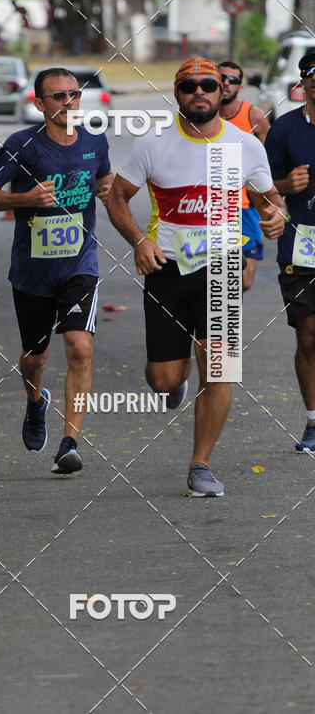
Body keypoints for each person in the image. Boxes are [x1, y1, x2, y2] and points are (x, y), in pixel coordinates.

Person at [107, 56, 286, 497]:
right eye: (191, 87)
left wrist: (275, 215)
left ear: (222, 91)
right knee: (164, 379)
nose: (201, 93)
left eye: (209, 85)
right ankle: (177, 380)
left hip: (223, 267)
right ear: (178, 93)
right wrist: (138, 242)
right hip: (166, 267)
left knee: (220, 368)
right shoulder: (152, 143)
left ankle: (200, 464)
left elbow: (269, 198)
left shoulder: (245, 145)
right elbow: (116, 198)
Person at [0, 67, 113, 474]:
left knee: (80, 347)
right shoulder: (23, 145)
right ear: (39, 103)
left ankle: (70, 442)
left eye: (74, 94)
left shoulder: (94, 140)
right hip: (33, 272)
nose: (68, 103)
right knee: (35, 359)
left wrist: (106, 189)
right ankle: (36, 403)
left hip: (79, 266)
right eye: (58, 97)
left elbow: (104, 178)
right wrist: (27, 198)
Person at [265, 50, 315, 452]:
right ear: (303, 82)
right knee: (309, 336)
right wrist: (285, 186)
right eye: (313, 73)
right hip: (301, 247)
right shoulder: (283, 130)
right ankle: (314, 422)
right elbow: (258, 186)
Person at [218, 60, 270, 291]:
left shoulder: (254, 117)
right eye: (221, 78)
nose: (226, 83)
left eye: (233, 80)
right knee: (216, 278)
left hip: (245, 206)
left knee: (243, 281)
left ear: (240, 86)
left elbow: (267, 164)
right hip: (212, 206)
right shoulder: (200, 116)